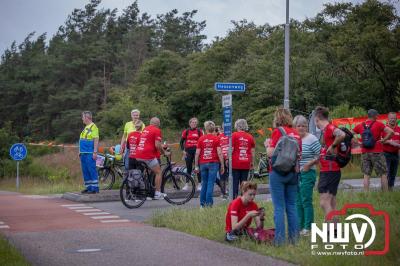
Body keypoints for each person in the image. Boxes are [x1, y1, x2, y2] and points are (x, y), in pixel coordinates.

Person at [266, 107, 301, 245]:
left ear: (277, 118)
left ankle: (279, 241)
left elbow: (270, 153)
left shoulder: (277, 132)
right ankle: (294, 240)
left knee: (279, 207)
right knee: (292, 206)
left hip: (277, 173)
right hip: (293, 173)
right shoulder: (296, 133)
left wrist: (267, 145)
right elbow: (299, 154)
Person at [314, 106, 345, 235]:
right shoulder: (327, 129)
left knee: (323, 202)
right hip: (332, 170)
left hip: (330, 170)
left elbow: (341, 134)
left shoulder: (329, 128)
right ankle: (334, 230)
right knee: (331, 202)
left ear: (317, 119)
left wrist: (332, 146)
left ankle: (332, 231)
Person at [293, 115, 321, 236]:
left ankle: (308, 228)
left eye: (304, 125)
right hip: (296, 174)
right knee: (298, 201)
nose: (301, 128)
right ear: (294, 127)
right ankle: (300, 227)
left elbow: (321, 155)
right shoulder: (293, 139)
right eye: (299, 125)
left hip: (308, 172)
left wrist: (310, 164)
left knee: (306, 200)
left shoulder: (312, 139)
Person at [352, 109, 393, 191]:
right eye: (377, 115)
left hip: (365, 153)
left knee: (366, 174)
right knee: (383, 174)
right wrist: (384, 140)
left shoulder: (360, 125)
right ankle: (385, 194)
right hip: (377, 152)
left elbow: (350, 134)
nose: (377, 117)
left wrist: (358, 142)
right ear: (375, 116)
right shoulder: (379, 124)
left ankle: (366, 194)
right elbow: (391, 132)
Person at [135, 117, 168, 199]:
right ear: (158, 123)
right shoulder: (157, 130)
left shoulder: (145, 129)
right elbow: (157, 145)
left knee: (149, 172)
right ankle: (157, 193)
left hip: (138, 154)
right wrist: (164, 153)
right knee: (158, 172)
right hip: (147, 155)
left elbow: (147, 142)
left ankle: (148, 191)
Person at [195, 121, 224, 207]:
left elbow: (197, 153)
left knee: (204, 183)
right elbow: (219, 152)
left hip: (203, 163)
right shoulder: (216, 138)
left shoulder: (201, 139)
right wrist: (222, 164)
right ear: (213, 129)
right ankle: (209, 204)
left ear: (206, 129)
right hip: (213, 163)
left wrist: (196, 165)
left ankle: (202, 204)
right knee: (211, 183)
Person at [231, 119, 255, 199]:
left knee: (235, 182)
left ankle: (234, 199)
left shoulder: (234, 135)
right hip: (246, 162)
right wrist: (252, 162)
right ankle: (243, 199)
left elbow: (231, 149)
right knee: (244, 182)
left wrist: (228, 159)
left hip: (235, 162)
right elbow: (252, 152)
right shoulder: (250, 137)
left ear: (237, 126)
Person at [79, 111, 100, 194]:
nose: (82, 119)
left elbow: (96, 139)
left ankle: (94, 188)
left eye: (83, 117)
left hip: (90, 152)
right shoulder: (86, 127)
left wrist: (95, 152)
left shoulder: (94, 127)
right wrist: (80, 151)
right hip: (83, 152)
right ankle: (88, 187)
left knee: (91, 169)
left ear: (87, 118)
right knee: (85, 170)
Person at [180, 117, 203, 191]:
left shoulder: (199, 131)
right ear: (190, 123)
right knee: (188, 168)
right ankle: (186, 184)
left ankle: (199, 184)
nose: (194, 124)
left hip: (197, 151)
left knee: (197, 167)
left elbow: (202, 141)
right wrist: (182, 150)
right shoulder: (186, 131)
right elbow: (181, 142)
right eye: (192, 122)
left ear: (197, 124)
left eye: (195, 123)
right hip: (188, 151)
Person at [382, 112, 400, 190]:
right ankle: (384, 190)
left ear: (396, 119)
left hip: (396, 154)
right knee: (386, 173)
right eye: (391, 118)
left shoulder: (399, 129)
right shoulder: (384, 128)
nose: (393, 120)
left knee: (393, 173)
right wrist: (390, 142)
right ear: (388, 119)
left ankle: (391, 189)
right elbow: (381, 141)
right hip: (386, 154)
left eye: (394, 118)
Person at [217, 125, 229, 198]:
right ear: (222, 128)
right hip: (222, 159)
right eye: (225, 126)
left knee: (233, 177)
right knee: (222, 177)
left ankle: (232, 193)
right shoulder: (219, 136)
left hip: (231, 159)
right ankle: (223, 193)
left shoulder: (232, 136)